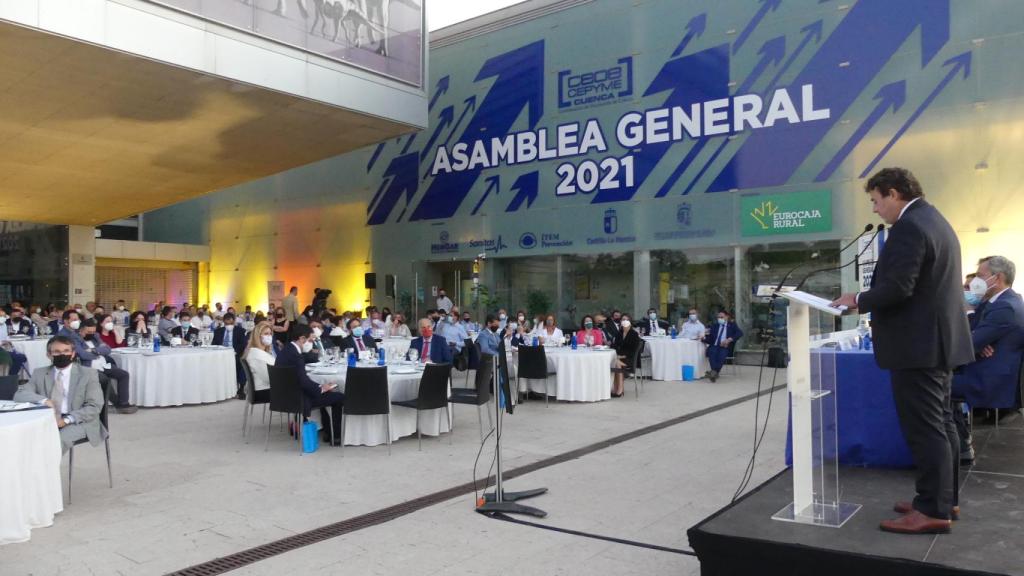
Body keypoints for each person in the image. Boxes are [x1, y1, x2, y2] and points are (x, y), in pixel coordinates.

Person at [831, 167, 973, 534]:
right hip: (937, 343)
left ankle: (933, 509)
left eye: (876, 201)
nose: (876, 210)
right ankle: (942, 498)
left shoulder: (909, 227)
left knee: (927, 428)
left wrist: (857, 299)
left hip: (918, 347)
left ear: (894, 194)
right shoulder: (934, 219)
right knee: (941, 423)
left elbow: (898, 287)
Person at [953, 256, 1024, 435]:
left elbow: (968, 342)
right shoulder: (995, 302)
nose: (976, 281)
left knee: (928, 385)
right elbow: (972, 335)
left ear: (997, 278)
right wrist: (977, 340)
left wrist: (975, 339)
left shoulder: (1005, 307)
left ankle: (958, 443)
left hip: (987, 379)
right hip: (981, 368)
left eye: (980, 276)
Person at [13, 336, 107, 452]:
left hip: (78, 420)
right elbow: (20, 394)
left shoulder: (88, 374)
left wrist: (66, 420)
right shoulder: (40, 373)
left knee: (55, 441)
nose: (62, 355)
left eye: (66, 351)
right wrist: (44, 401)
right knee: (21, 438)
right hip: (48, 418)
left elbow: (94, 406)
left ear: (73, 354)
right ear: (49, 355)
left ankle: (45, 469)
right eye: (56, 352)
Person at [275, 325, 344, 445]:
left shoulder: (287, 350)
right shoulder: (296, 356)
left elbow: (302, 379)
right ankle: (335, 436)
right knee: (338, 397)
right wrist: (321, 388)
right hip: (298, 399)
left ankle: (328, 431)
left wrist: (321, 388)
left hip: (285, 395)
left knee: (325, 392)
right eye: (311, 340)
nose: (312, 343)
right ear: (302, 338)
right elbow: (303, 381)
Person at [69, 318, 136, 414]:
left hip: (103, 364)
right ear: (81, 329)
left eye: (93, 331)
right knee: (105, 380)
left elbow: (108, 349)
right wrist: (99, 351)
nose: (91, 333)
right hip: (89, 367)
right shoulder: (74, 338)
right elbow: (82, 355)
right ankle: (119, 405)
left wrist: (93, 351)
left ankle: (123, 402)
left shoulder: (95, 336)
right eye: (89, 331)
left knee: (124, 374)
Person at [213, 312, 248, 398]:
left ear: (234, 321)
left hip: (236, 353)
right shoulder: (218, 331)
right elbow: (213, 344)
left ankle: (241, 388)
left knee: (242, 363)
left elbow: (243, 344)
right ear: (223, 322)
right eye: (226, 323)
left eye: (231, 323)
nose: (229, 325)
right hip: (221, 354)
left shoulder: (240, 331)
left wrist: (235, 351)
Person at [703, 311, 742, 382]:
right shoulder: (714, 326)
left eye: (721, 317)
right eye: (718, 317)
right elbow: (710, 339)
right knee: (712, 352)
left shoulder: (732, 325)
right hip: (714, 345)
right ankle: (715, 372)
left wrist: (729, 339)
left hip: (725, 346)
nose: (719, 319)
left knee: (722, 354)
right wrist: (703, 338)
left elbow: (740, 333)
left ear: (726, 317)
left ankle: (713, 372)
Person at [243, 322, 276, 402]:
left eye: (270, 334)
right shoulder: (257, 354)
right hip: (262, 391)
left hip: (263, 388)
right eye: (266, 334)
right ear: (258, 336)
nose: (269, 336)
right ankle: (305, 414)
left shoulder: (260, 352)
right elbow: (268, 379)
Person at [611, 315, 641, 397]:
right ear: (621, 322)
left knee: (616, 363)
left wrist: (621, 357)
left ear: (630, 322)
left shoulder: (634, 334)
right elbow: (614, 346)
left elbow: (633, 351)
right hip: (618, 358)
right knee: (614, 362)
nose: (625, 321)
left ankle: (620, 389)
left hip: (629, 359)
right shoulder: (619, 334)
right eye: (623, 319)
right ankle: (616, 388)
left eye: (627, 320)